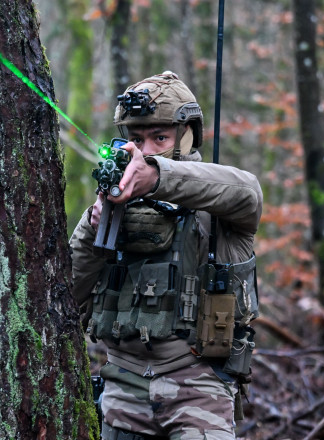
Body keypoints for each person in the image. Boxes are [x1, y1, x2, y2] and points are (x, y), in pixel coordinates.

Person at [70, 71, 263, 440]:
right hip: (123, 388)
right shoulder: (113, 204)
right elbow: (68, 296)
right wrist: (95, 224)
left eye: (160, 137)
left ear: (187, 135)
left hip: (199, 387)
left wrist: (157, 177)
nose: (145, 151)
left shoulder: (218, 202)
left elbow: (247, 192)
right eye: (137, 139)